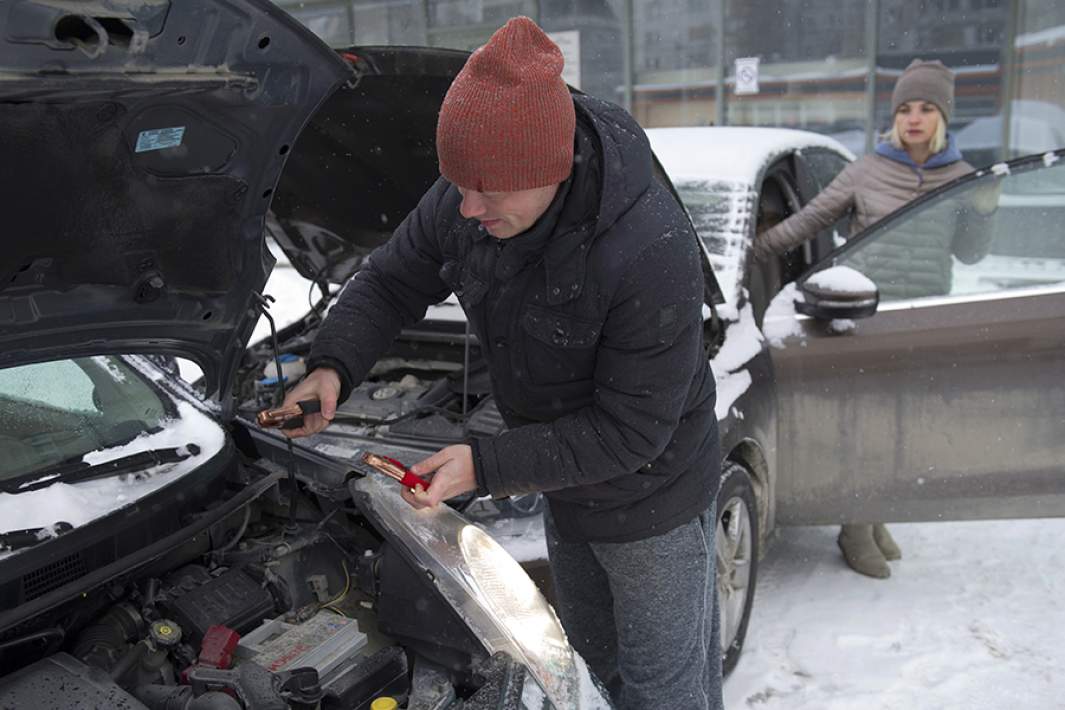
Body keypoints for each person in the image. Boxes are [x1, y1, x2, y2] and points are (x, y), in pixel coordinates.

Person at [282, 17, 723, 709]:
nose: (466, 206)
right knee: (591, 670)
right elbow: (391, 280)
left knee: (662, 695)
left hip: (653, 497)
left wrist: (485, 466)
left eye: (486, 189)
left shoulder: (649, 249)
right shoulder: (470, 198)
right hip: (566, 484)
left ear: (549, 169)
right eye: (458, 183)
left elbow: (632, 431)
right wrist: (332, 365)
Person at [755, 59, 996, 578]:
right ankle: (855, 527)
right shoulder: (868, 170)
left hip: (924, 316)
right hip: (866, 314)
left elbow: (971, 253)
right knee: (869, 427)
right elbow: (810, 220)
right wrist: (752, 250)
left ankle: (872, 513)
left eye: (926, 108)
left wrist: (983, 209)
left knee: (904, 427)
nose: (914, 118)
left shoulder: (959, 177)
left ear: (943, 117)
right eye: (906, 109)